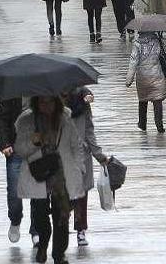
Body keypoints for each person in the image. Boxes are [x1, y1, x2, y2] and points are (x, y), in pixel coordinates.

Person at [15, 96, 85, 264]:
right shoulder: (25, 121)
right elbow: (20, 149)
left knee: (62, 217)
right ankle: (43, 244)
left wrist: (79, 169)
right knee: (40, 218)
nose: (47, 106)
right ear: (36, 103)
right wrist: (34, 143)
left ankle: (59, 254)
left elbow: (76, 146)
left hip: (63, 176)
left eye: (50, 102)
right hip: (38, 175)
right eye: (42, 102)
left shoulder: (65, 118)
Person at [66, 87, 109, 247]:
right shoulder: (51, 103)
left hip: (80, 155)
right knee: (65, 194)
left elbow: (89, 131)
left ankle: (80, 230)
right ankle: (63, 221)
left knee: (81, 194)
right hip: (60, 156)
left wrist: (99, 155)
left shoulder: (83, 103)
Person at [0, 97, 38, 246]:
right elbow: (0, 121)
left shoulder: (44, 92)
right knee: (14, 192)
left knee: (38, 193)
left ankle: (36, 230)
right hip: (16, 150)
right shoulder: (11, 95)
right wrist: (5, 144)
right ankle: (15, 219)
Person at [125, 31, 166, 133]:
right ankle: (159, 125)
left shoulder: (137, 44)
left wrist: (129, 79)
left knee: (143, 100)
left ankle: (142, 123)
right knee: (157, 100)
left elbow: (133, 61)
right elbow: (163, 55)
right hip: (156, 74)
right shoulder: (157, 41)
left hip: (142, 77)